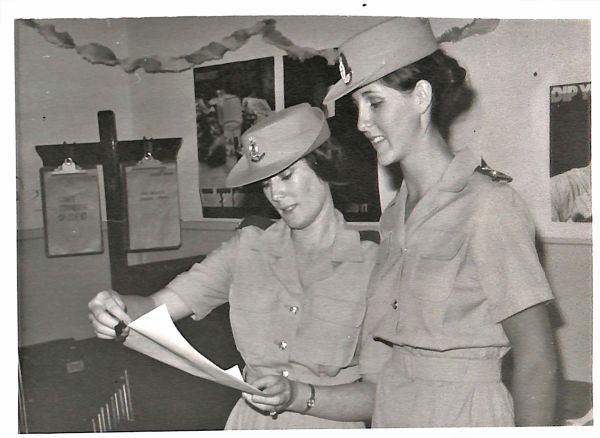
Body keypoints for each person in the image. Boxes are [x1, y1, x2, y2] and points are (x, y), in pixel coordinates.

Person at [248, 17, 558, 428]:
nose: (361, 123)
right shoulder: (394, 215)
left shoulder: (489, 206)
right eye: (356, 106)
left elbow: (538, 362)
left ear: (421, 96)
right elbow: (385, 365)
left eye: (375, 102)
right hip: (393, 413)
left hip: (467, 414)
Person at [87, 103, 378, 430]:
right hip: (251, 424)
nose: (277, 195)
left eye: (286, 175)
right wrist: (118, 307)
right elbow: (156, 306)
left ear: (323, 166)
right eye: (266, 183)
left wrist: (298, 395)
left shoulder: (373, 262)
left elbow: (380, 393)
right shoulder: (247, 248)